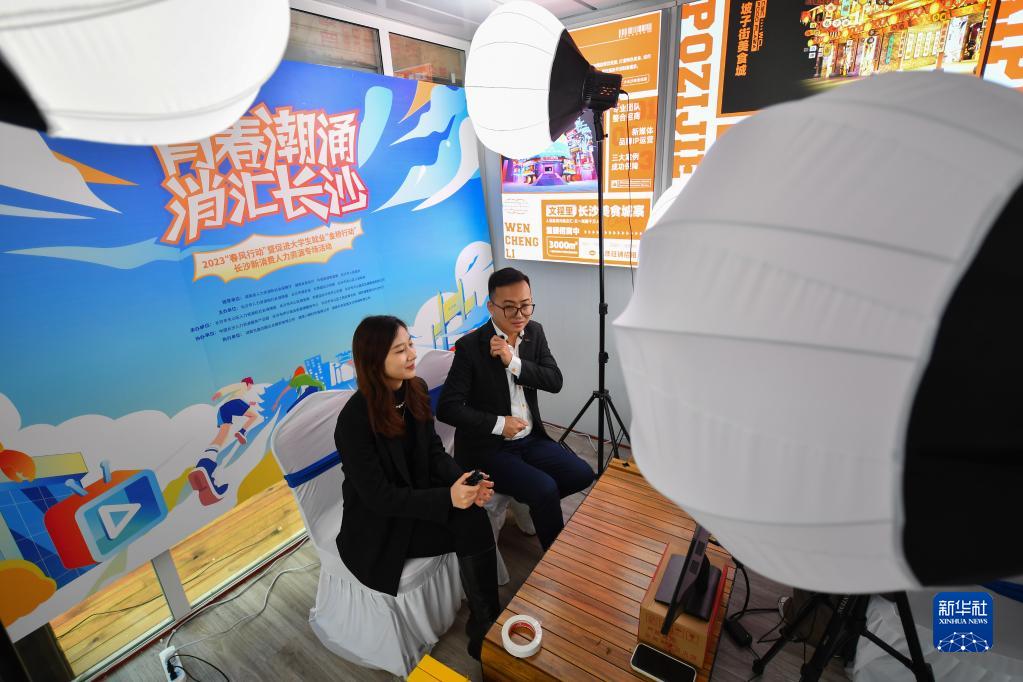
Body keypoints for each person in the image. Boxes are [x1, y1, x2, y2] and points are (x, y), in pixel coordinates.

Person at [335, 315, 500, 660]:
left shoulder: (415, 389)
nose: (412, 354)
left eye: (410, 344)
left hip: (419, 497)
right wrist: (448, 497)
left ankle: (485, 625)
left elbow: (434, 452)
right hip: (382, 524)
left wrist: (465, 481)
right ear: (373, 361)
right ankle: (486, 628)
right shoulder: (353, 421)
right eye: (400, 350)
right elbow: (379, 498)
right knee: (467, 520)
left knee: (473, 514)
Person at [437, 267, 594, 551]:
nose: (520, 314)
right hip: (489, 448)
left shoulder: (534, 332)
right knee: (545, 489)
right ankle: (554, 560)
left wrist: (513, 362)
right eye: (509, 307)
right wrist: (500, 424)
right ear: (491, 307)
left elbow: (554, 381)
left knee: (582, 474)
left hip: (530, 439)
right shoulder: (470, 347)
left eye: (526, 305)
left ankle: (533, 501)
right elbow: (447, 408)